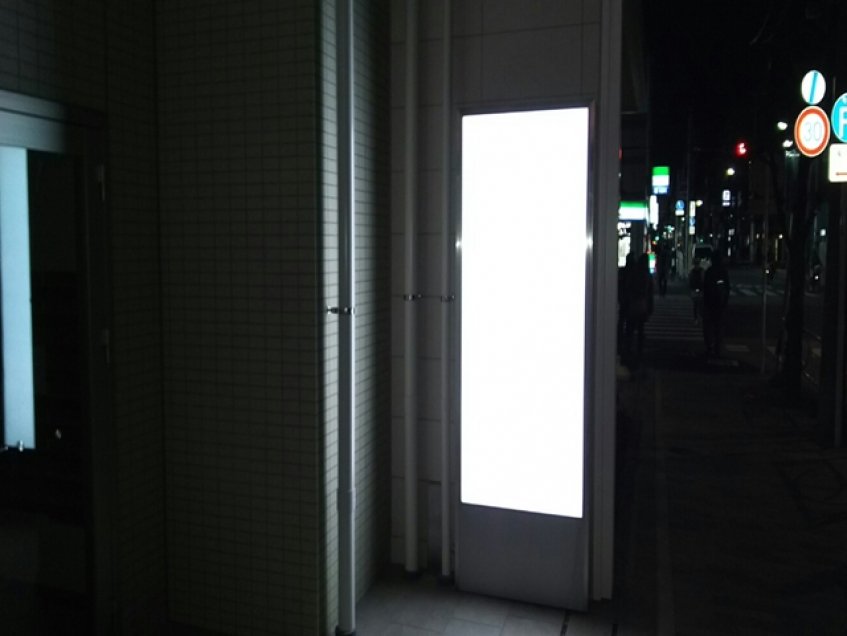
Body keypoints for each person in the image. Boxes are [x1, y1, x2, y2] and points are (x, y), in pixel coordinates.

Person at [622, 252, 654, 369]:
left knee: (630, 328)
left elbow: (628, 287)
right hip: (642, 305)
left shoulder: (634, 273)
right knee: (640, 329)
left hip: (633, 304)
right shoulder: (647, 275)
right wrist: (650, 307)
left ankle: (628, 349)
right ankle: (639, 351)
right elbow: (650, 293)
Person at [702, 248, 730, 357]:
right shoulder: (723, 272)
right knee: (718, 327)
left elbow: (705, 288)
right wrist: (725, 302)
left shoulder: (709, 271)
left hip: (710, 303)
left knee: (708, 327)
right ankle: (717, 348)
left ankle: (709, 347)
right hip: (720, 304)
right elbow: (727, 288)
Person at [688, 257, 704, 324]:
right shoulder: (694, 271)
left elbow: (703, 279)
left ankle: (697, 318)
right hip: (696, 289)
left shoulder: (700, 271)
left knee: (698, 304)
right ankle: (696, 318)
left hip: (698, 289)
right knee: (697, 304)